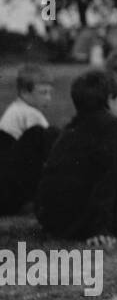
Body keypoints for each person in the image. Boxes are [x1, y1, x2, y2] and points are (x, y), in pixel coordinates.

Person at [36, 69, 117, 248]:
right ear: (109, 99)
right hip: (82, 220)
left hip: (53, 219)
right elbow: (106, 179)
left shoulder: (72, 126)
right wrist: (100, 229)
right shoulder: (109, 125)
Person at [0, 65, 59, 215]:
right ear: (25, 92)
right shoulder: (31, 114)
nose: (48, 98)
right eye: (43, 93)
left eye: (49, 93)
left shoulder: (15, 108)